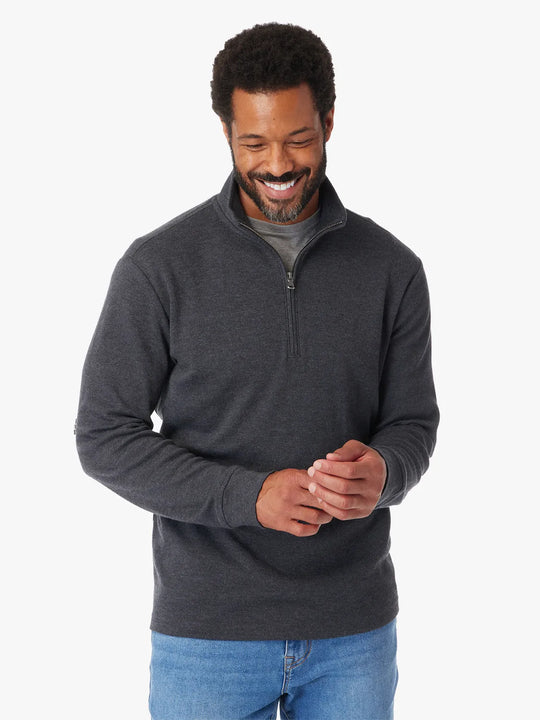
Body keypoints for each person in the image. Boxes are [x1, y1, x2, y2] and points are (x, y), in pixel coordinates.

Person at [76, 22, 439, 720]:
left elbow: (413, 424)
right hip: (206, 634)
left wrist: (385, 470)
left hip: (354, 633)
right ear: (226, 133)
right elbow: (103, 436)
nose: (277, 164)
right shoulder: (158, 268)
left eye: (298, 139)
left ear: (328, 123)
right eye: (254, 143)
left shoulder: (393, 269)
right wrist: (249, 497)